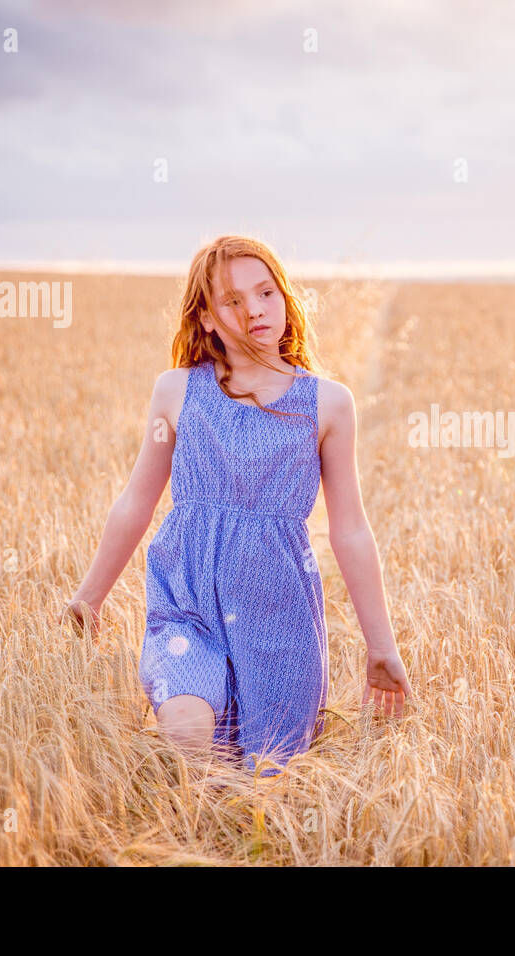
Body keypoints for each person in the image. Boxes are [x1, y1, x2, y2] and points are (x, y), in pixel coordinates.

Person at [61, 235, 411, 775]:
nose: (255, 310)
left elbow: (351, 530)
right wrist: (89, 597)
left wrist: (381, 646)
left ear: (285, 298)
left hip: (281, 618)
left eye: (266, 292)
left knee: (264, 782)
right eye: (233, 301)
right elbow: (136, 500)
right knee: (186, 730)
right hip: (188, 604)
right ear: (205, 318)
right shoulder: (176, 391)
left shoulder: (329, 404)